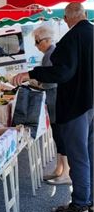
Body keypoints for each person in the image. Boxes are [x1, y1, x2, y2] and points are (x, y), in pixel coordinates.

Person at [13, 3, 93, 212]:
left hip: (77, 105)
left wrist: (33, 73)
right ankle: (90, 199)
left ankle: (80, 204)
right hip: (92, 103)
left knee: (78, 155)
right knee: (90, 152)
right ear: (85, 15)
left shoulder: (71, 39)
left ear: (67, 18)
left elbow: (63, 73)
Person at [30, 24, 70, 184]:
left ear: (45, 40)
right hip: (54, 101)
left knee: (60, 136)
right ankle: (59, 169)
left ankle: (65, 172)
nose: (36, 45)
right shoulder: (51, 53)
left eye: (37, 41)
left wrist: (36, 82)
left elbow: (51, 80)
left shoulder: (50, 54)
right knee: (57, 135)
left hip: (55, 100)